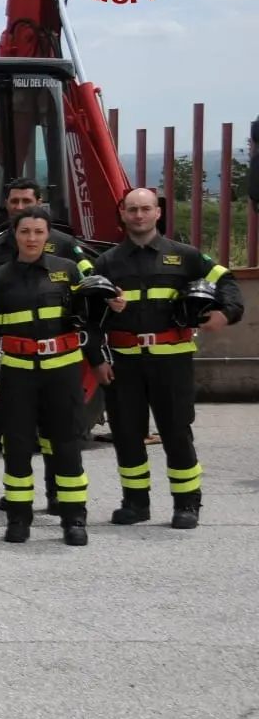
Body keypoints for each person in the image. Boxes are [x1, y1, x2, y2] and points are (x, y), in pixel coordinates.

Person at [91, 187, 244, 529]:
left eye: (145, 209)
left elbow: (226, 281)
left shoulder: (185, 256)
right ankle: (135, 503)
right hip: (123, 363)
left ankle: (187, 504)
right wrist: (96, 359)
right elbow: (89, 313)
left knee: (176, 432)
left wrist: (227, 312)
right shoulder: (108, 262)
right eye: (132, 210)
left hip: (171, 362)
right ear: (123, 214)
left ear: (158, 212)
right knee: (127, 434)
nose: (139, 215)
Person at [0, 206, 100, 545]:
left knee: (66, 443)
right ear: (15, 235)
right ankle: (19, 518)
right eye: (25, 232)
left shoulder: (69, 271)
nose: (31, 238)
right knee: (16, 446)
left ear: (48, 236)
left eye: (38, 232)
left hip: (62, 371)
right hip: (17, 374)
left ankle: (74, 519)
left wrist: (98, 358)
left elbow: (88, 318)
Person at [0, 179, 91, 286]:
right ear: (6, 204)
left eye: (26, 201)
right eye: (15, 201)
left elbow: (89, 283)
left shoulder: (65, 244)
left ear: (39, 203)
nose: (20, 207)